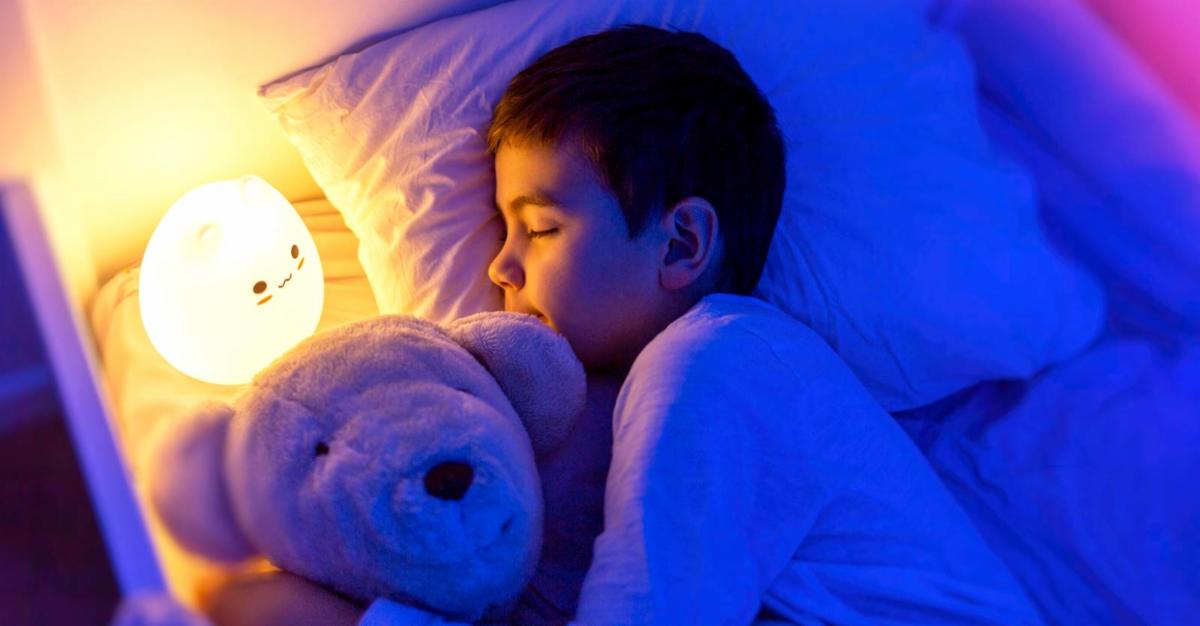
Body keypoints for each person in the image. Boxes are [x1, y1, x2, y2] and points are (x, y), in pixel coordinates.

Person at [212, 25, 1041, 626]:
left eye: (538, 229)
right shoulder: (626, 411)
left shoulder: (721, 361)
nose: (501, 268)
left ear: (681, 242)